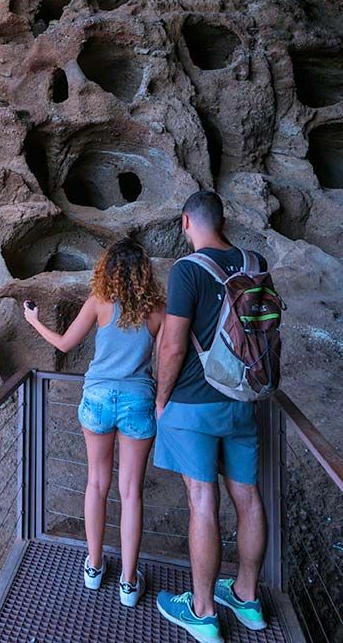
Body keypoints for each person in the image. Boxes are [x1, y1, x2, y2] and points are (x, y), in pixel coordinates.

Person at [24, 238, 165, 608]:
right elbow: (166, 363)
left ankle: (94, 566)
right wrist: (162, 400)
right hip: (138, 401)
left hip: (99, 399)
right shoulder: (157, 311)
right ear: (143, 274)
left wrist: (34, 320)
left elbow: (66, 344)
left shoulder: (99, 303)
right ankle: (129, 583)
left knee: (96, 484)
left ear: (109, 270)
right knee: (131, 492)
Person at [155, 190, 269, 643]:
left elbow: (173, 345)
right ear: (222, 220)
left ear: (186, 222)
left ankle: (202, 611)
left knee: (202, 501)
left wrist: (162, 398)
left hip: (194, 404)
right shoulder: (255, 261)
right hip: (243, 399)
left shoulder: (187, 271)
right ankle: (247, 597)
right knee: (248, 498)